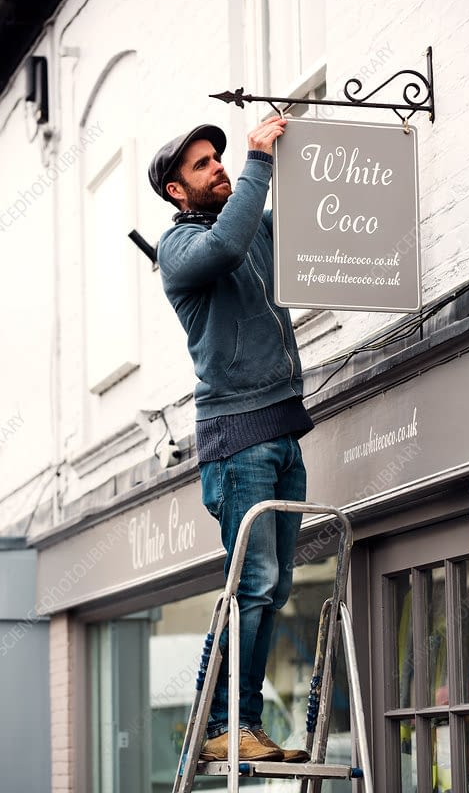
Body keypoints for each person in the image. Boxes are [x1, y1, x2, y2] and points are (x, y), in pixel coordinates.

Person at [148, 117, 313, 763]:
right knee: (253, 582)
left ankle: (238, 721)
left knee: (273, 587)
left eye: (219, 157)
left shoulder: (253, 229)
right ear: (175, 192)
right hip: (236, 436)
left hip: (281, 426)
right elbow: (224, 247)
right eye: (202, 165)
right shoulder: (179, 248)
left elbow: (297, 234)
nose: (218, 167)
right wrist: (256, 159)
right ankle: (220, 725)